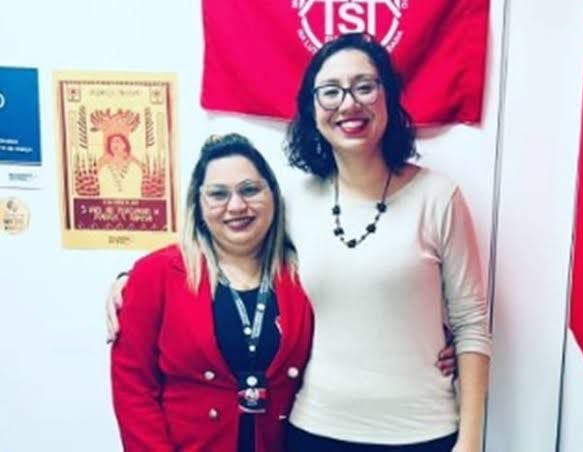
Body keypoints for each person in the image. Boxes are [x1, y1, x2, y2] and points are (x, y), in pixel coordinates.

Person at [108, 32, 488, 452]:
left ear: (388, 96)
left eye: (364, 86)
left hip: (423, 429)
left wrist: (471, 440)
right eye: (331, 91)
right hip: (315, 429)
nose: (348, 103)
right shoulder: (294, 203)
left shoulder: (438, 197)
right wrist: (129, 282)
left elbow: (471, 323)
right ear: (312, 109)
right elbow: (227, 243)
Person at [110, 133, 314, 452]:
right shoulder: (155, 275)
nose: (237, 206)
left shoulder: (306, 274)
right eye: (218, 194)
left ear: (273, 195)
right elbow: (133, 388)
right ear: (199, 204)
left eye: (250, 190)